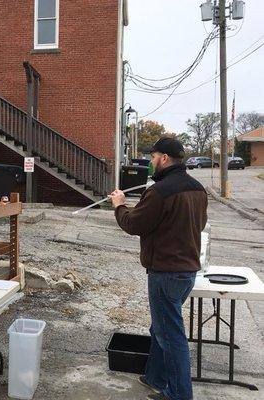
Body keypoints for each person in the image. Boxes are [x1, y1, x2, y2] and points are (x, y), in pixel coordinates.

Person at [109, 137, 207, 400]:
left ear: (164, 158)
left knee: (170, 336)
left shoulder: (159, 191)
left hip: (166, 272)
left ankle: (178, 394)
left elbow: (134, 224)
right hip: (187, 272)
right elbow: (199, 223)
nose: (151, 162)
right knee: (161, 328)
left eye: (153, 157)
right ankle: (155, 377)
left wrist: (119, 204)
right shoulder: (197, 188)